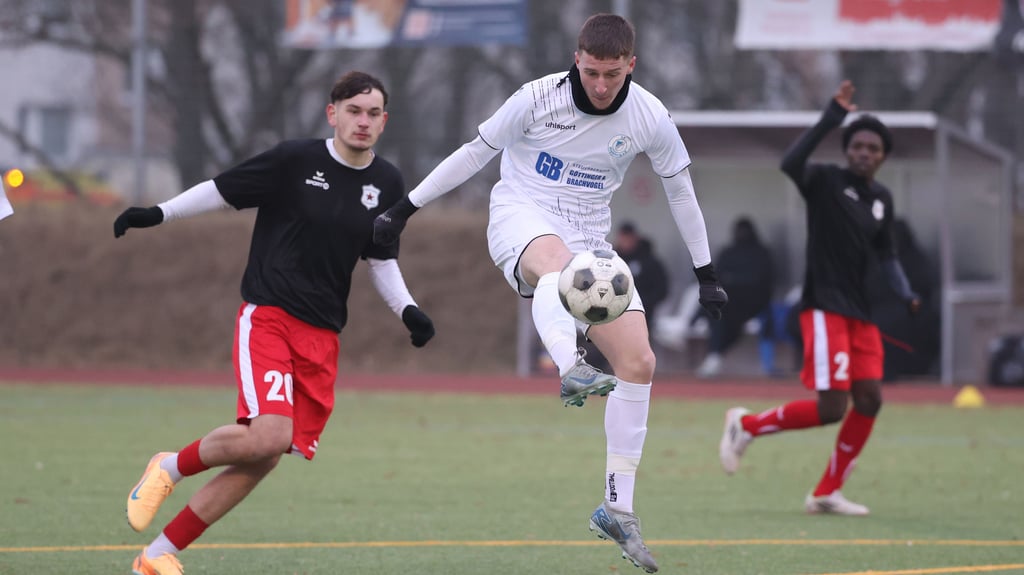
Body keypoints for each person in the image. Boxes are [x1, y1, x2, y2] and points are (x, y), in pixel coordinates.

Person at [372, 13, 727, 573]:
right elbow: (473, 152)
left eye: (612, 73)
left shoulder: (650, 116)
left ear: (631, 64)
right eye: (591, 72)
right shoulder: (536, 99)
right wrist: (404, 209)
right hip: (522, 214)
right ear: (576, 59)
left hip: (589, 239)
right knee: (556, 268)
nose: (601, 84)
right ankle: (568, 365)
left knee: (639, 361)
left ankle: (618, 507)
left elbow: (680, 190)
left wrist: (705, 272)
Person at [112, 71, 436, 575]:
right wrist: (159, 213)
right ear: (333, 113)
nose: (363, 121)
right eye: (353, 110)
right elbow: (221, 190)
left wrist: (408, 311)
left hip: (323, 335)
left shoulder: (388, 183)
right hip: (270, 315)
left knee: (264, 456)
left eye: (373, 113)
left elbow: (380, 257)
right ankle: (169, 465)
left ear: (384, 121)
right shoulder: (294, 160)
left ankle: (157, 557)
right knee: (266, 437)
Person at [718, 80, 920, 516]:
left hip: (860, 315)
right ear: (848, 149)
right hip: (825, 307)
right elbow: (790, 162)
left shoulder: (882, 199)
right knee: (832, 407)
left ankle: (827, 491)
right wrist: (832, 115)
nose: (865, 153)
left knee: (870, 400)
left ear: (883, 156)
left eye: (873, 148)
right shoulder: (826, 181)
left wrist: (906, 293)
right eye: (858, 145)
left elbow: (887, 256)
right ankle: (745, 425)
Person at [694, 216, 775, 378]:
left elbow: (765, 281)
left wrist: (736, 280)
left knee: (726, 317)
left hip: (753, 303)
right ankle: (713, 355)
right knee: (715, 311)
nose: (741, 234)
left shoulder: (761, 253)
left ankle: (714, 355)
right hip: (728, 302)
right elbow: (715, 277)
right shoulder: (728, 252)